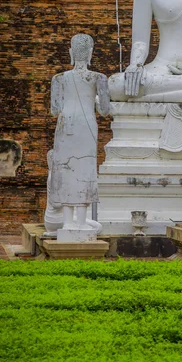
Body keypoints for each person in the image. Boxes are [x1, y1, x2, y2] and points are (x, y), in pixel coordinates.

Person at [50, 34, 110, 231]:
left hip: (66, 125)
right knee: (85, 169)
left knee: (66, 171)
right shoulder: (99, 78)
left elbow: (55, 109)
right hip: (86, 126)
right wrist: (92, 99)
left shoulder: (58, 79)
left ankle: (67, 222)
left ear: (70, 53)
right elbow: (105, 110)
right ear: (91, 53)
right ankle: (82, 222)